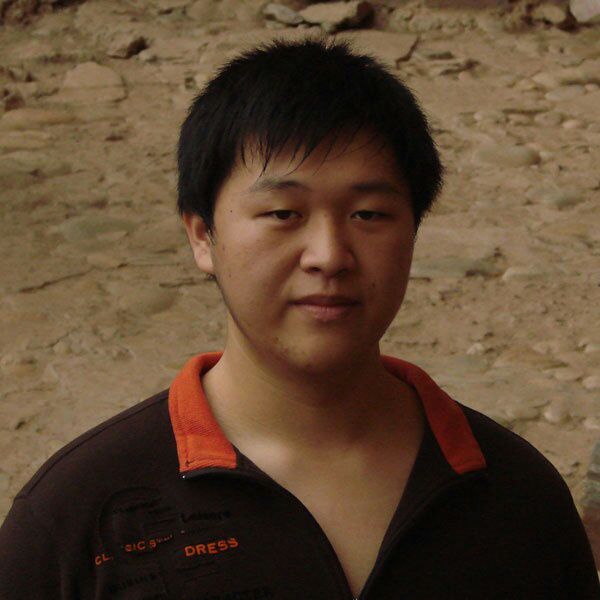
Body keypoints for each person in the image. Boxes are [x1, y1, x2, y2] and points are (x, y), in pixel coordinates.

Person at [0, 36, 598, 600]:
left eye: (369, 215)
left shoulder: (515, 496)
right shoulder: (81, 518)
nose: (329, 256)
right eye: (284, 213)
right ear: (203, 236)